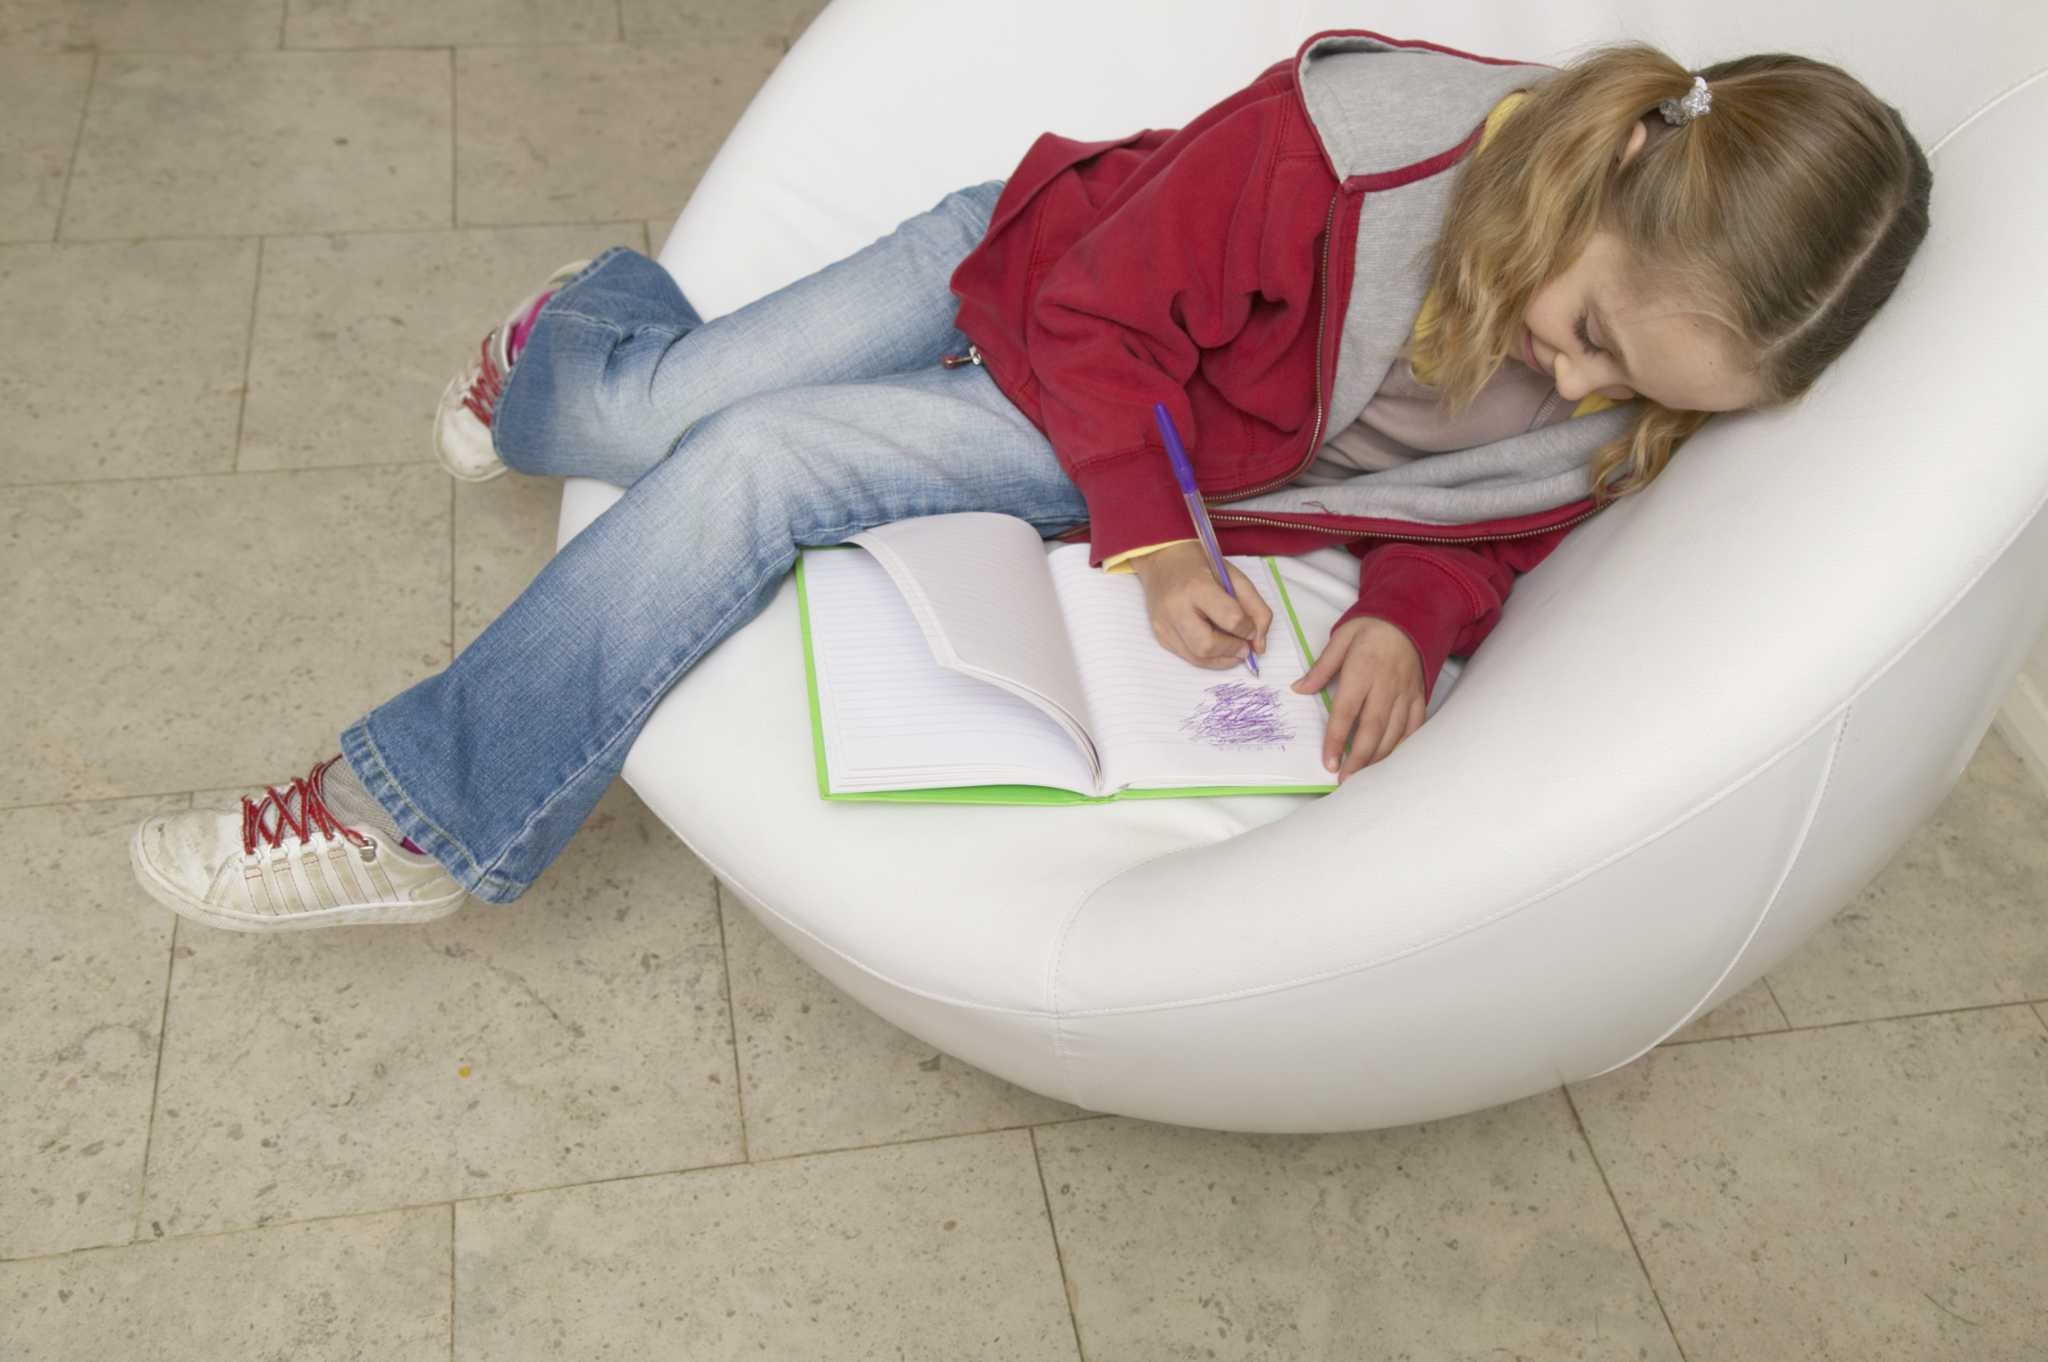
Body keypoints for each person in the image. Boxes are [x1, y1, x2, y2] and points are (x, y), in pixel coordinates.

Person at [128, 30, 1931, 932]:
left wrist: (1412, 610)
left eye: (1650, 396)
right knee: (628, 418)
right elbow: (1096, 317)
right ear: (1616, 164)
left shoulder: (1629, 395)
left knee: (749, 458)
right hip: (1058, 287)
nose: (1582, 384)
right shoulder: (1360, 141)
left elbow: (1509, 517)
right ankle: (582, 335)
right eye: (1597, 328)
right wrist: (1152, 547)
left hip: (1128, 439)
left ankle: (404, 809)